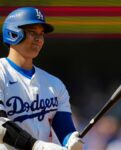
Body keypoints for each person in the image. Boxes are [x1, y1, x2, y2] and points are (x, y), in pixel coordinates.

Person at [0, 7, 83, 150]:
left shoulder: (54, 84)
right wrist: (36, 146)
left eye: (42, 34)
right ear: (13, 34)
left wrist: (71, 139)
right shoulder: (1, 73)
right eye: (33, 32)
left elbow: (64, 129)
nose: (39, 39)